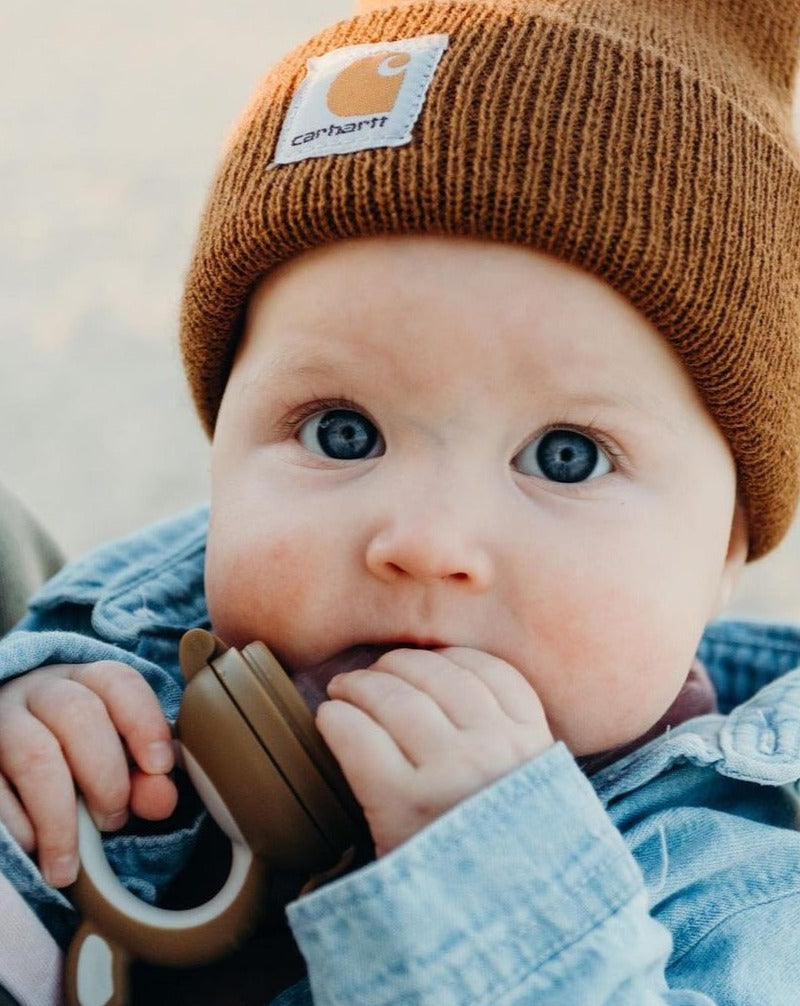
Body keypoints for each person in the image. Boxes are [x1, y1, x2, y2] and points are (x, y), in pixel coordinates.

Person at [1, 0, 799, 1002]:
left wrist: (495, 888)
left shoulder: (742, 886)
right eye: (342, 431)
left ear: (722, 551)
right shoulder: (132, 682)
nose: (423, 541)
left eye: (563, 456)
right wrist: (36, 751)